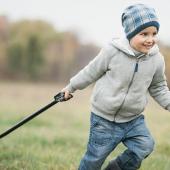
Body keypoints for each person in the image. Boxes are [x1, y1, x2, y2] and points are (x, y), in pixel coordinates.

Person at [61, 3, 170, 170]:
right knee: (94, 159)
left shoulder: (156, 59)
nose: (150, 39)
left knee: (145, 146)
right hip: (104, 119)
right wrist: (71, 87)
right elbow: (91, 72)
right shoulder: (112, 51)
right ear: (130, 33)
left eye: (154, 33)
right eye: (144, 34)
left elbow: (159, 87)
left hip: (133, 119)